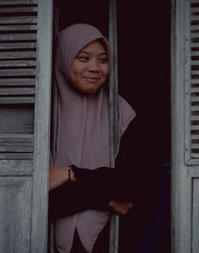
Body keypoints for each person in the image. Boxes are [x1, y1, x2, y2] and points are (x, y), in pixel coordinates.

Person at [48, 23, 137, 253]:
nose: (95, 68)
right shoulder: (42, 113)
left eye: (103, 60)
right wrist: (107, 199)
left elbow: (129, 189)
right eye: (84, 58)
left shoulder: (121, 112)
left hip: (109, 241)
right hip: (39, 236)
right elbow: (27, 194)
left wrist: (68, 174)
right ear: (63, 58)